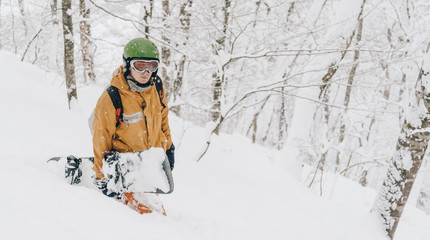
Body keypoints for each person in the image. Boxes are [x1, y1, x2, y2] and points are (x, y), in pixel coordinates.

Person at [91, 38, 175, 215]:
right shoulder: (112, 97)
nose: (146, 72)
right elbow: (101, 138)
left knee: (158, 216)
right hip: (125, 168)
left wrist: (168, 149)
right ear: (128, 65)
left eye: (151, 66)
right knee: (150, 220)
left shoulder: (157, 87)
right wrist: (102, 177)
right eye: (139, 65)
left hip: (147, 166)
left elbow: (163, 119)